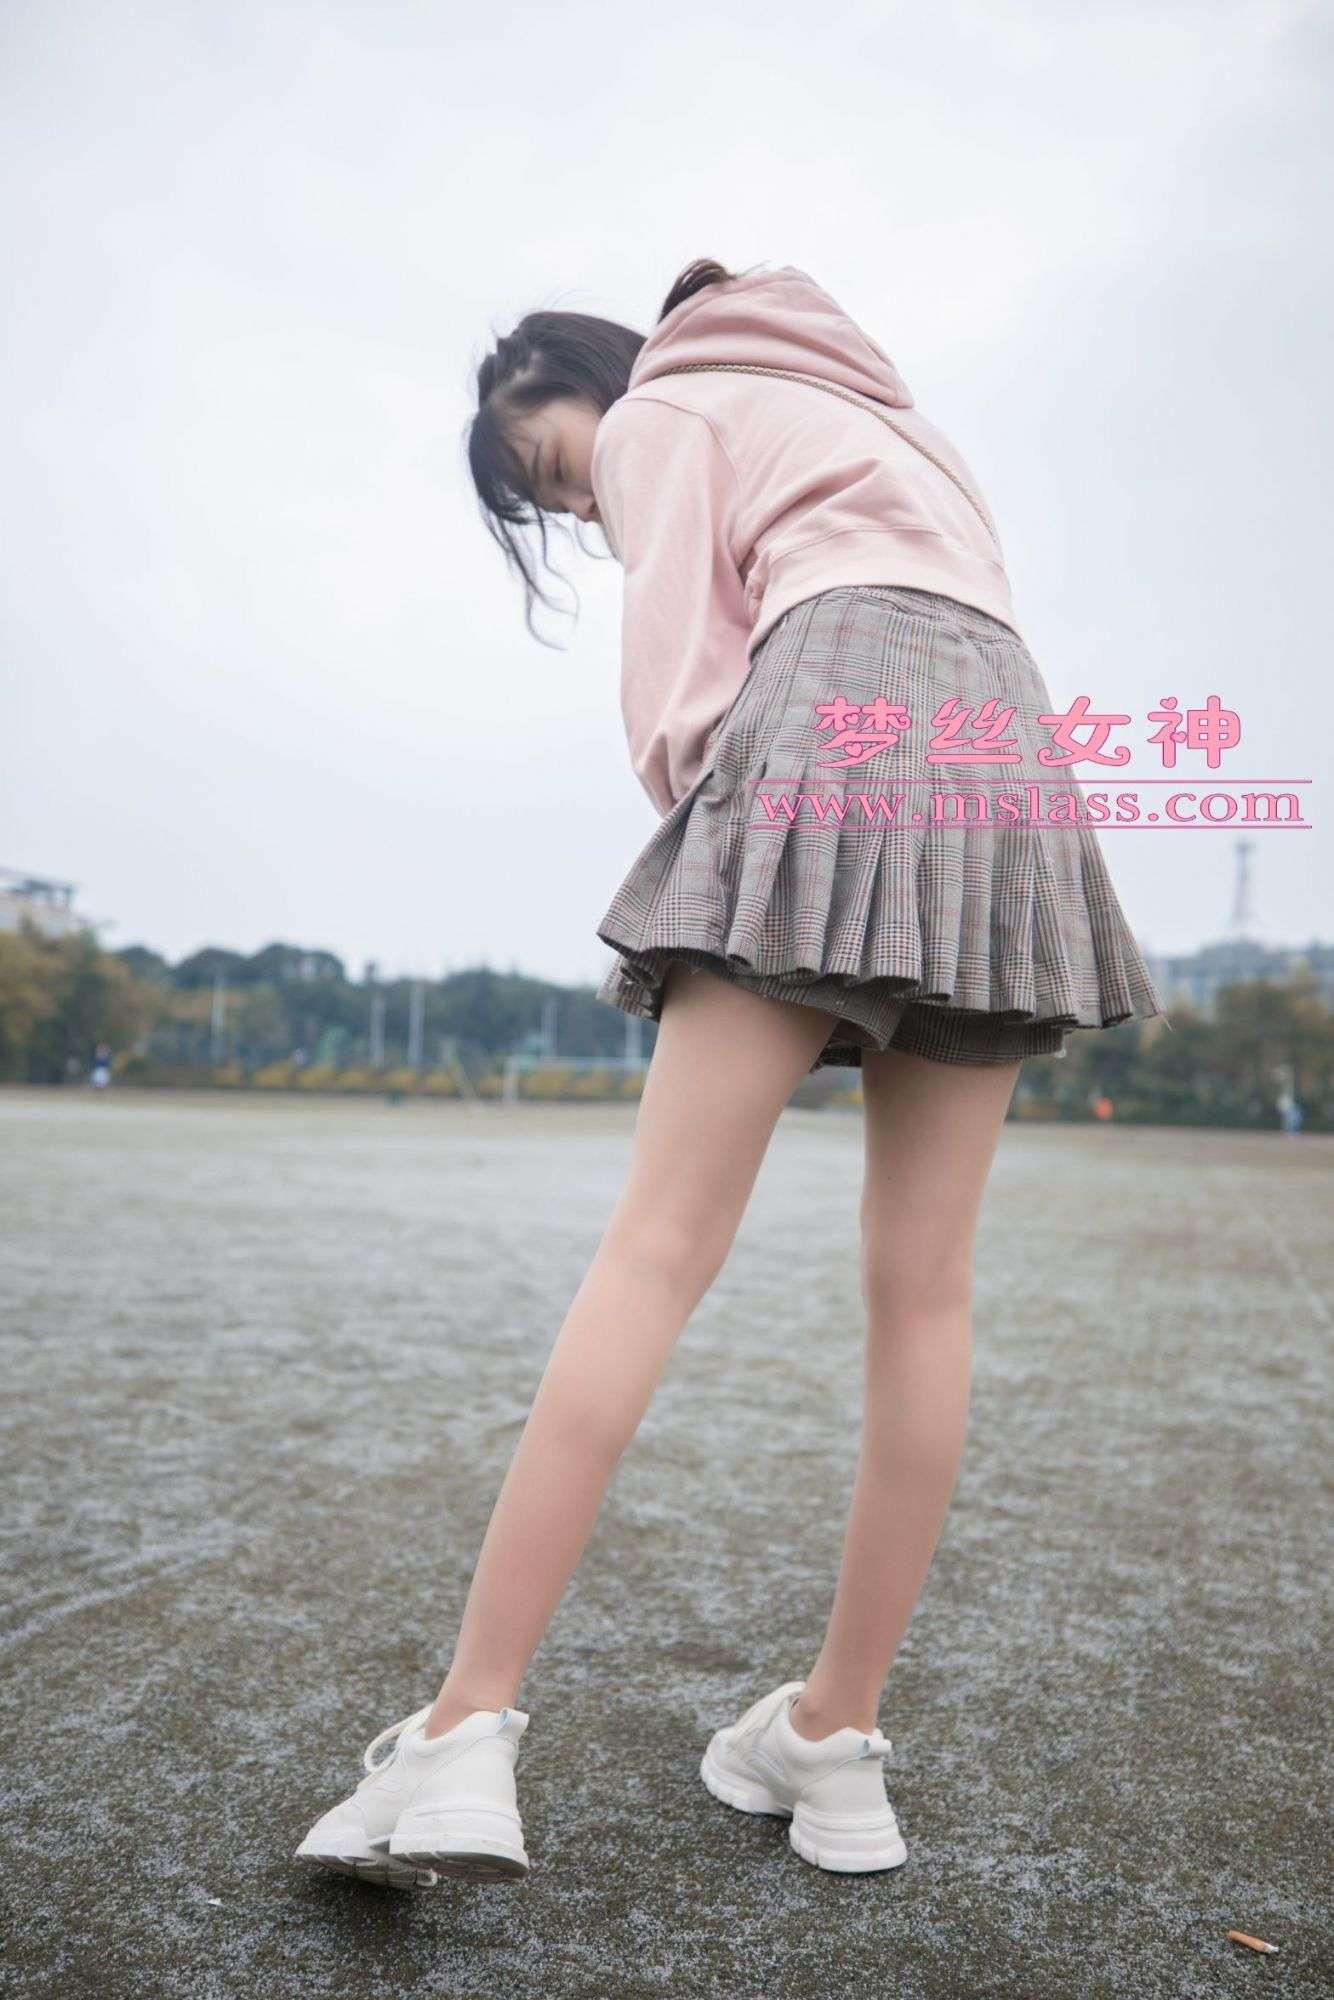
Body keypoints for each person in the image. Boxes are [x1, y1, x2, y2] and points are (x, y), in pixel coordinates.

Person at [295, 258, 1169, 1888]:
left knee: (655, 1247)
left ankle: (464, 1730)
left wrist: (726, 856)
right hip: (1002, 754)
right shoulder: (870, 412)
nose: (578, 506)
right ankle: (834, 1741)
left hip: (827, 702)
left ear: (576, 387)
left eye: (553, 471)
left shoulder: (664, 406)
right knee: (926, 1290)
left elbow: (683, 681)